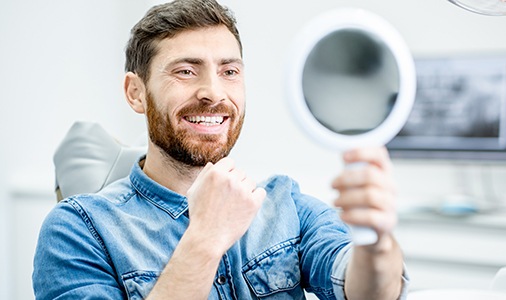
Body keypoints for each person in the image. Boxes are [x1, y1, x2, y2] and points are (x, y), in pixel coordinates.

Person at [33, 0, 409, 299]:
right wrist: (204, 240)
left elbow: (368, 293)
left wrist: (374, 242)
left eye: (229, 71)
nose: (214, 92)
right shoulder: (78, 229)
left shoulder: (285, 204)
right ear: (136, 92)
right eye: (185, 71)